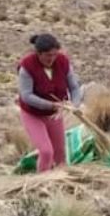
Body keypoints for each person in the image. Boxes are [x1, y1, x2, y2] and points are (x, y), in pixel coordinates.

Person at [17, 33, 82, 172]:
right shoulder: (27, 67)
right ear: (38, 54)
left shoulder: (63, 62)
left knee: (60, 157)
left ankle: (61, 183)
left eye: (54, 54)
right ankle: (43, 183)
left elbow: (75, 87)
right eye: (47, 55)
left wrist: (74, 105)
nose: (51, 58)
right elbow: (26, 96)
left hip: (54, 115)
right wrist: (51, 105)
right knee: (46, 152)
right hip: (33, 114)